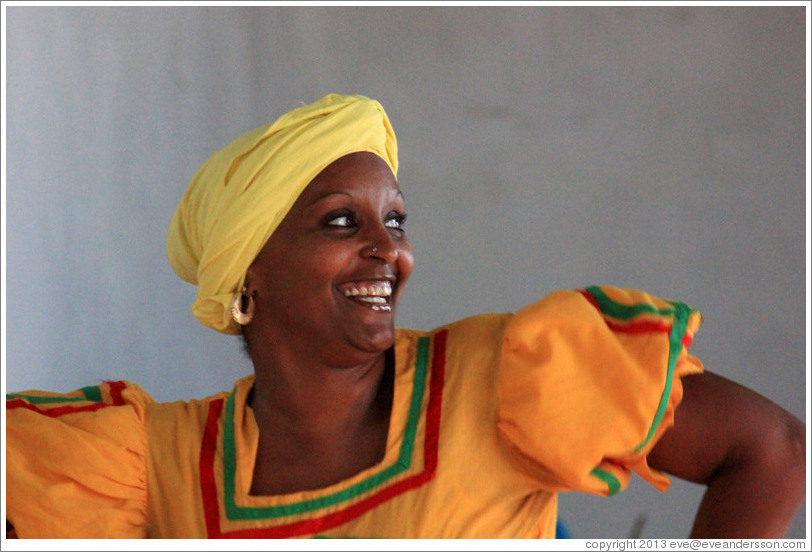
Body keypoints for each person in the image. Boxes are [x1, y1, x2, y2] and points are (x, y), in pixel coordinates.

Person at [5, 94, 805, 539]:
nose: (391, 252)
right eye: (342, 222)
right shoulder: (153, 464)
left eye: (396, 221)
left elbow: (770, 448)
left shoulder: (497, 384)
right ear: (249, 272)